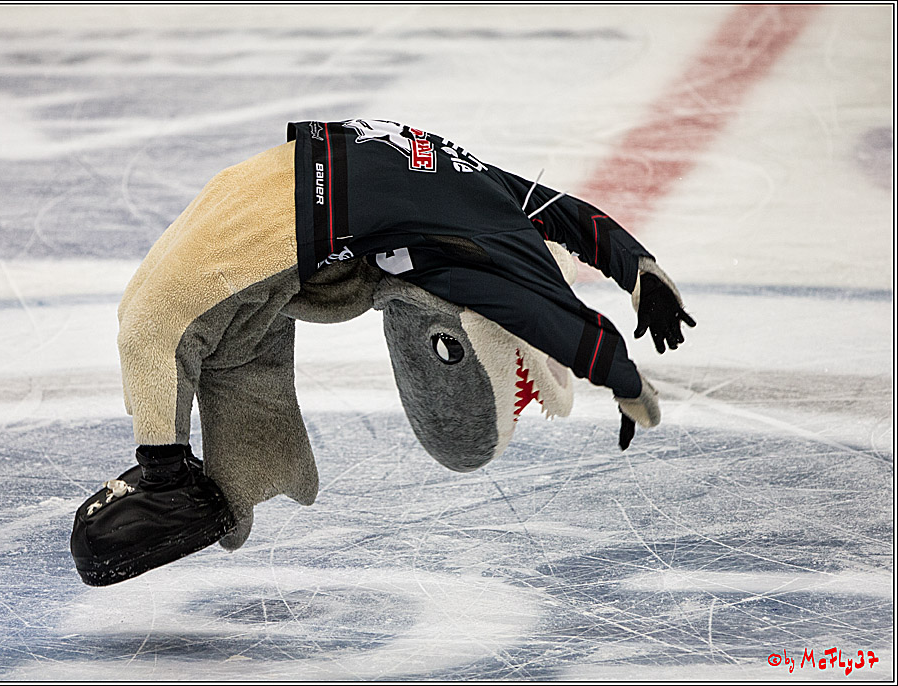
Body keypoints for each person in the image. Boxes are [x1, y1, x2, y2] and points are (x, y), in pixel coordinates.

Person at [70, 119, 695, 586]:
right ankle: (248, 465)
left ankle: (175, 474)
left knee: (152, 323)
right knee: (196, 332)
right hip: (288, 211)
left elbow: (553, 267)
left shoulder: (483, 191)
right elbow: (561, 238)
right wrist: (637, 277)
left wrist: (626, 340)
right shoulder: (491, 212)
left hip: (289, 192)